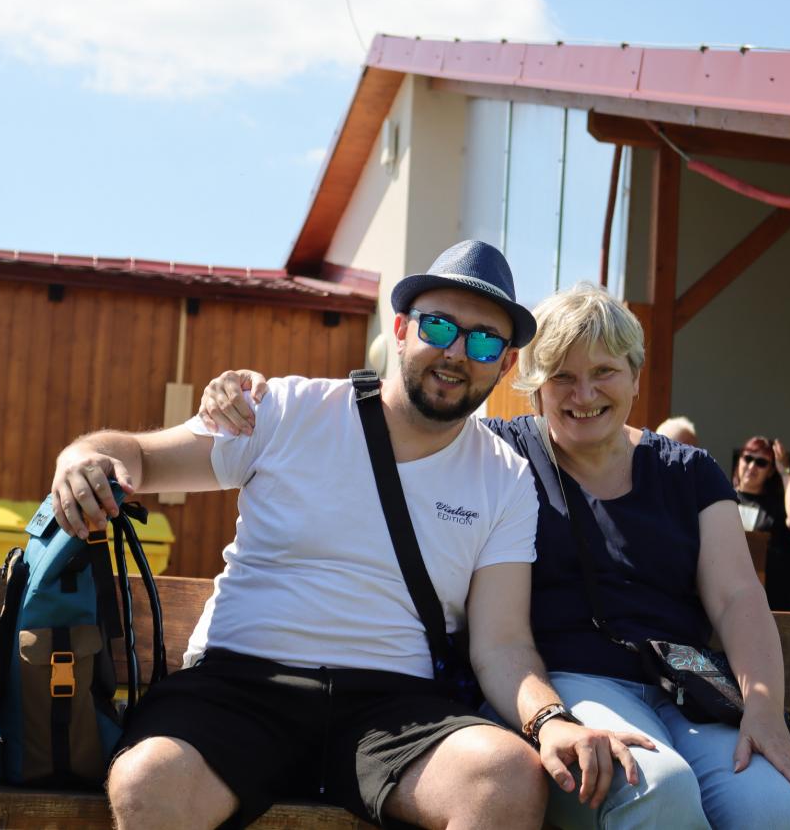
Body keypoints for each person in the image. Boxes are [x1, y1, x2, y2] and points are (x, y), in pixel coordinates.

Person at [52, 242, 648, 830]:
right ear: (401, 328)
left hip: (394, 709)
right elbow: (138, 456)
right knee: (149, 778)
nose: (456, 353)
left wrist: (550, 721)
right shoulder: (287, 410)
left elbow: (502, 643)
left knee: (507, 777)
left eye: (485, 341)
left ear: (506, 365)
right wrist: (83, 458)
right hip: (241, 686)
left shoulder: (506, 478)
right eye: (439, 326)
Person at [201, 282, 790, 829]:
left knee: (773, 809)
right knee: (656, 789)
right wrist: (254, 396)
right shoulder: (496, 456)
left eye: (604, 371)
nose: (584, 394)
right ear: (531, 383)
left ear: (635, 373)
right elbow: (388, 425)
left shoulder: (688, 471)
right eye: (562, 376)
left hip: (684, 689)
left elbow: (737, 596)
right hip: (560, 685)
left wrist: (764, 710)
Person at [732, 436, 790, 612]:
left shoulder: (776, 506)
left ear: (771, 471)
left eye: (761, 463)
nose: (752, 466)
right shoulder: (722, 499)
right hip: (734, 602)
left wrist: (785, 471)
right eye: (747, 458)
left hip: (777, 603)